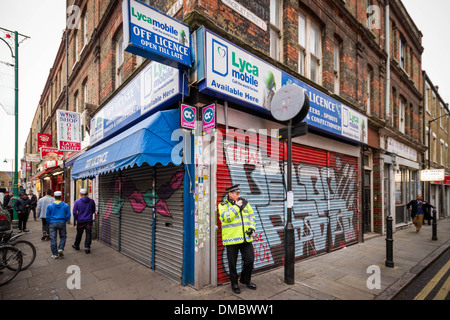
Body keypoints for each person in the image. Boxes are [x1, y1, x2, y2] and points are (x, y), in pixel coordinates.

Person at [218, 184, 257, 294]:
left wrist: (252, 228)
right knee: (232, 263)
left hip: (246, 238)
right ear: (230, 194)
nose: (238, 195)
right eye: (236, 193)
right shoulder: (223, 205)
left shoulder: (245, 203)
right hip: (232, 240)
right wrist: (236, 207)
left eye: (239, 193)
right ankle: (234, 283)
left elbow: (252, 216)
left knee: (250, 260)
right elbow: (226, 218)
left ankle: (245, 280)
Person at [46, 191, 71, 259]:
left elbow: (47, 216)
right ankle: (60, 248)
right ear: (61, 196)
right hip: (62, 222)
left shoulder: (50, 206)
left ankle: (55, 254)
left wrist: (49, 222)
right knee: (63, 236)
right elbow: (68, 215)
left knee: (53, 238)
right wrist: (65, 220)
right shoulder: (66, 205)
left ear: (54, 196)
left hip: (52, 223)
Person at [72, 188, 96, 254]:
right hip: (88, 221)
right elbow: (93, 210)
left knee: (79, 234)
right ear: (87, 194)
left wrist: (77, 218)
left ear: (80, 194)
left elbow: (74, 212)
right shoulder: (91, 201)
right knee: (88, 234)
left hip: (80, 221)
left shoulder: (77, 202)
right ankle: (87, 247)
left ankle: (76, 245)